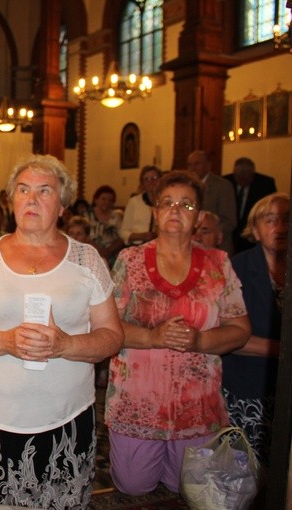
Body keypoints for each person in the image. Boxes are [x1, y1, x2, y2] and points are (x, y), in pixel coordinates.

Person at [0, 154, 124, 508]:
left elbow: (112, 336)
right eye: (23, 190)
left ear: (63, 204)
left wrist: (65, 344)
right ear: (11, 200)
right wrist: (6, 341)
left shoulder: (87, 260)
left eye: (44, 191)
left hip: (67, 418)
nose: (32, 199)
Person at [106, 170, 251, 496]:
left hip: (196, 403)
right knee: (133, 485)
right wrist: (152, 337)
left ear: (198, 216)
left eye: (186, 205)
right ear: (155, 212)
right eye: (167, 203)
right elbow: (106, 327)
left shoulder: (218, 263)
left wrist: (201, 341)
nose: (175, 210)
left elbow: (240, 329)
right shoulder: (130, 260)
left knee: (185, 487)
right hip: (137, 400)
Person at [223, 192, 289, 465]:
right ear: (256, 229)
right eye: (270, 220)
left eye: (287, 219)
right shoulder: (238, 267)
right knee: (249, 468)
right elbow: (234, 337)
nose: (281, 227)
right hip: (249, 387)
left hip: (284, 386)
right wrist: (283, 352)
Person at [186, 150, 236, 253]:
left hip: (217, 247)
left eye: (197, 164)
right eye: (190, 165)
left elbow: (229, 221)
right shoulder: (187, 188)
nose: (193, 168)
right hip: (191, 246)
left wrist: (208, 231)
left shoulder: (222, 186)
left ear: (208, 165)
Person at [224, 157, 277, 254]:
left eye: (245, 176)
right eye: (239, 176)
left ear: (253, 174)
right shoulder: (226, 182)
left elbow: (270, 210)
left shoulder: (265, 184)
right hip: (231, 237)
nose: (242, 180)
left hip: (253, 235)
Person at [120, 166, 162, 246]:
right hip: (138, 246)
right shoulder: (134, 202)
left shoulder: (166, 201)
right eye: (146, 179)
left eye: (154, 177)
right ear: (142, 183)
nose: (151, 182)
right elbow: (123, 232)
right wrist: (142, 236)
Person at [85, 185, 125, 264]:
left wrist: (108, 251)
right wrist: (100, 251)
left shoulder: (117, 217)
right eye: (103, 199)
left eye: (110, 200)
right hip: (91, 255)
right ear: (96, 199)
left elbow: (123, 237)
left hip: (112, 257)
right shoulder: (86, 216)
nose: (107, 202)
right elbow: (83, 236)